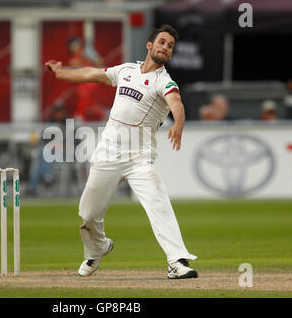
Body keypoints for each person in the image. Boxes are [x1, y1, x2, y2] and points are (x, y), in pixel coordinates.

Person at [46, 24, 197, 279]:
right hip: (108, 152)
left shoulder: (164, 81)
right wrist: (61, 73)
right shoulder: (126, 70)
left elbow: (176, 103)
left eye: (170, 46)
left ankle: (177, 261)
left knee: (158, 204)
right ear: (150, 45)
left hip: (140, 157)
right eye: (162, 42)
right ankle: (98, 248)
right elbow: (91, 74)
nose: (165, 47)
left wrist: (179, 124)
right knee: (88, 213)